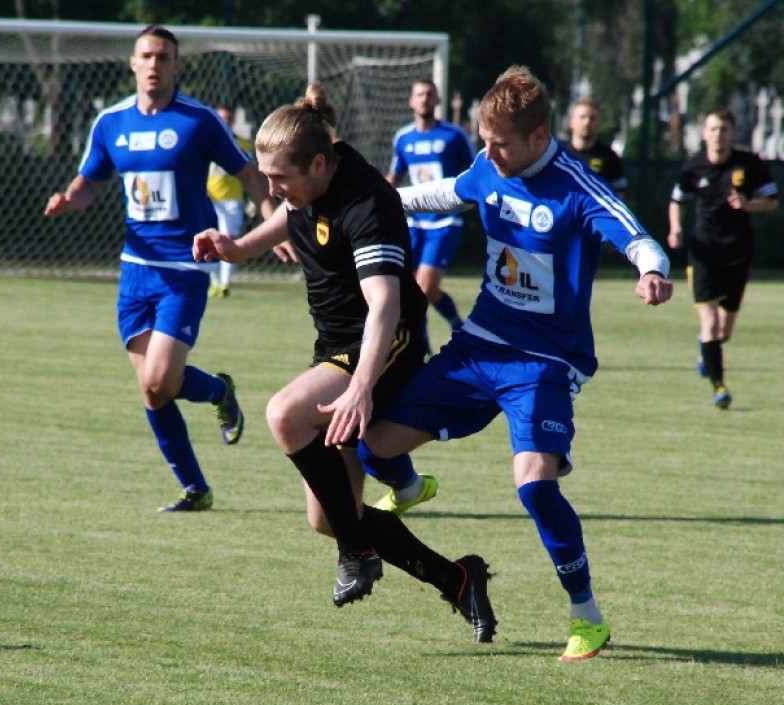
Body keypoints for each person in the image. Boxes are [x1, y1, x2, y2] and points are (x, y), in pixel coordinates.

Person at [356, 66, 674, 661]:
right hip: (479, 346)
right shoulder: (489, 166)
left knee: (535, 487)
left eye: (500, 143)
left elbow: (636, 236)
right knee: (370, 447)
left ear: (538, 136)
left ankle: (587, 616)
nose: (490, 153)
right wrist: (374, 200)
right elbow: (444, 192)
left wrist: (651, 270)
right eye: (485, 140)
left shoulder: (575, 184)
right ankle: (409, 486)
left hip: (545, 363)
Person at [194, 84, 497, 643]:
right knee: (329, 515)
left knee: (284, 413)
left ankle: (356, 552)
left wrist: (360, 387)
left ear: (317, 164)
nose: (270, 189)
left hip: (386, 345)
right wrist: (237, 248)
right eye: (265, 176)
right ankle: (457, 579)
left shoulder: (366, 202)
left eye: (279, 178)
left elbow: (384, 307)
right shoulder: (311, 182)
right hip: (336, 347)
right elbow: (292, 215)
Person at [44, 25, 275, 512]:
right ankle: (196, 489)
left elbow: (248, 173)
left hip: (185, 268)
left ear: (176, 65)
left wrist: (275, 224)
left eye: (163, 57)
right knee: (153, 391)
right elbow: (90, 182)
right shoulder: (111, 122)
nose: (154, 64)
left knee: (162, 380)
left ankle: (218, 391)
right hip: (135, 271)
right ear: (133, 63)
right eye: (146, 56)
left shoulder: (198, 120)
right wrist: (69, 200)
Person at [667, 107, 779, 409]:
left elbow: (771, 201)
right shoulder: (693, 167)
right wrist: (675, 228)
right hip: (703, 254)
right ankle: (719, 386)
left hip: (738, 253)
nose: (718, 134)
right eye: (713, 129)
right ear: (705, 133)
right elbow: (677, 200)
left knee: (724, 331)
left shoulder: (749, 164)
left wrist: (748, 204)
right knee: (710, 324)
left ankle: (706, 349)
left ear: (732, 133)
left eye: (724, 129)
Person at [387, 77, 476, 348]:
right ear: (411, 101)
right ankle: (458, 327)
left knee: (424, 288)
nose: (424, 99)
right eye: (419, 94)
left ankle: (421, 344)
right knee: (415, 288)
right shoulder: (403, 138)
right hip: (414, 223)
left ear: (438, 99)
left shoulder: (454, 135)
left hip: (445, 221)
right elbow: (395, 175)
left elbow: (476, 170)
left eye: (429, 94)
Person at [206, 105, 253, 298]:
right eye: (221, 117)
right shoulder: (206, 141)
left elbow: (252, 173)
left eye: (228, 118)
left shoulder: (243, 144)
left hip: (232, 199)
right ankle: (214, 282)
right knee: (209, 241)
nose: (225, 121)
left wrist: (253, 200)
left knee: (228, 240)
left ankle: (224, 283)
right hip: (210, 198)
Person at [562, 98, 628, 197]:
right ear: (571, 122)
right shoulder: (558, 154)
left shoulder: (609, 157)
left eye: (592, 118)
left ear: (598, 123)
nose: (587, 122)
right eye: (582, 117)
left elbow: (620, 192)